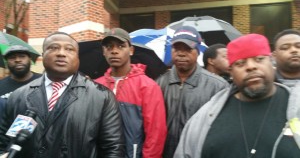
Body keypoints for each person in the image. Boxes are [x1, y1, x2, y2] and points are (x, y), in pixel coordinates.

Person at [0, 32, 125, 158]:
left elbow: (113, 148)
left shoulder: (101, 96)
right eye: (53, 48)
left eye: (69, 49)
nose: (61, 53)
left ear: (77, 58)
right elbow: (5, 142)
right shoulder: (18, 96)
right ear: (43, 55)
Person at [174, 34, 300, 158]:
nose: (251, 67)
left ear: (272, 63)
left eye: (259, 59)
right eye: (240, 63)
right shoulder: (205, 117)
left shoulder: (296, 107)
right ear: (231, 72)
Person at [156, 26, 229, 158]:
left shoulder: (218, 86)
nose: (181, 54)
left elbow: (223, 132)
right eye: (177, 49)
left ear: (198, 51)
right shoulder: (158, 84)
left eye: (188, 49)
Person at [95, 28, 167, 158]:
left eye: (121, 46)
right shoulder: (95, 86)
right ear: (103, 51)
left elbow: (156, 134)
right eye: (109, 47)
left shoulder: (148, 86)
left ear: (131, 50)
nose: (114, 51)